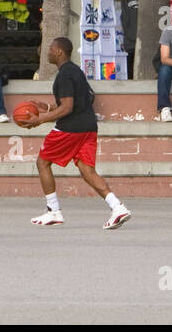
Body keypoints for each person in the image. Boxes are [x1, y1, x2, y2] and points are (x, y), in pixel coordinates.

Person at [21, 37, 131, 229]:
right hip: (89, 127)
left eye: (50, 48)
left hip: (71, 128)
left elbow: (67, 108)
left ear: (59, 52)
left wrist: (40, 119)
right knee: (87, 170)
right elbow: (73, 102)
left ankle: (53, 211)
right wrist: (46, 107)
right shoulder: (76, 71)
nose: (47, 52)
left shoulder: (64, 75)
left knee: (42, 162)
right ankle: (117, 207)